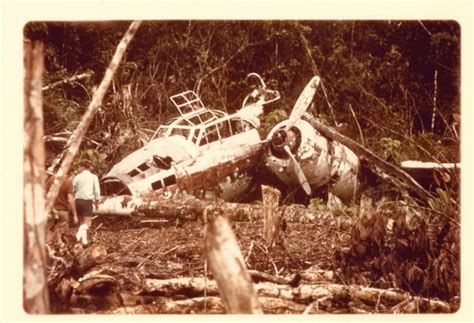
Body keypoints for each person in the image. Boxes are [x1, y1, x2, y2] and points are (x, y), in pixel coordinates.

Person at [45, 170, 78, 242]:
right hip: (63, 211)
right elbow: (70, 200)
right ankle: (60, 245)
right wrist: (74, 214)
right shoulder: (68, 182)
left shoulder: (51, 180)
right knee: (59, 230)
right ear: (70, 173)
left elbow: (44, 194)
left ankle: (46, 245)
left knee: (48, 230)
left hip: (51, 210)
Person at [73, 160, 101, 245]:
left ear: (83, 167)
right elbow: (96, 191)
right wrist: (97, 201)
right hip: (87, 201)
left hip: (77, 201)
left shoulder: (77, 177)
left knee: (82, 222)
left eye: (79, 167)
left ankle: (84, 241)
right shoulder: (93, 177)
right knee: (87, 223)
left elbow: (73, 189)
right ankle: (77, 237)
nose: (78, 169)